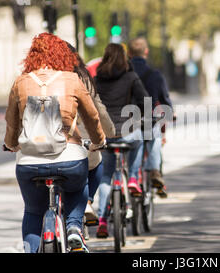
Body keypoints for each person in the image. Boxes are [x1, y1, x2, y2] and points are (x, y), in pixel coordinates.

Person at [4, 33, 106, 253]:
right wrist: (99, 141)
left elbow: (11, 123)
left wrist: (11, 144)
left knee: (33, 211)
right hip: (69, 158)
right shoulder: (72, 80)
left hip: (29, 162)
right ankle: (73, 228)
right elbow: (92, 117)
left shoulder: (20, 82)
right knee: (79, 188)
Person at [94, 43, 148, 238]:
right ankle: (133, 178)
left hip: (106, 134)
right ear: (124, 58)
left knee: (106, 175)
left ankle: (101, 220)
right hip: (128, 131)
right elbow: (144, 101)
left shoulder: (97, 79)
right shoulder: (131, 77)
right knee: (139, 139)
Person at [66, 42, 116, 225]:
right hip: (77, 141)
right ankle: (86, 201)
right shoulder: (81, 77)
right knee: (95, 165)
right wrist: (106, 135)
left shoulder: (34, 79)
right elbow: (96, 111)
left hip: (40, 146)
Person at [128, 37, 173, 198]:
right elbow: (165, 99)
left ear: (129, 53)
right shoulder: (155, 74)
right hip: (149, 117)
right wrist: (171, 112)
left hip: (128, 119)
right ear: (146, 52)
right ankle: (154, 171)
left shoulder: (125, 73)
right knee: (155, 135)